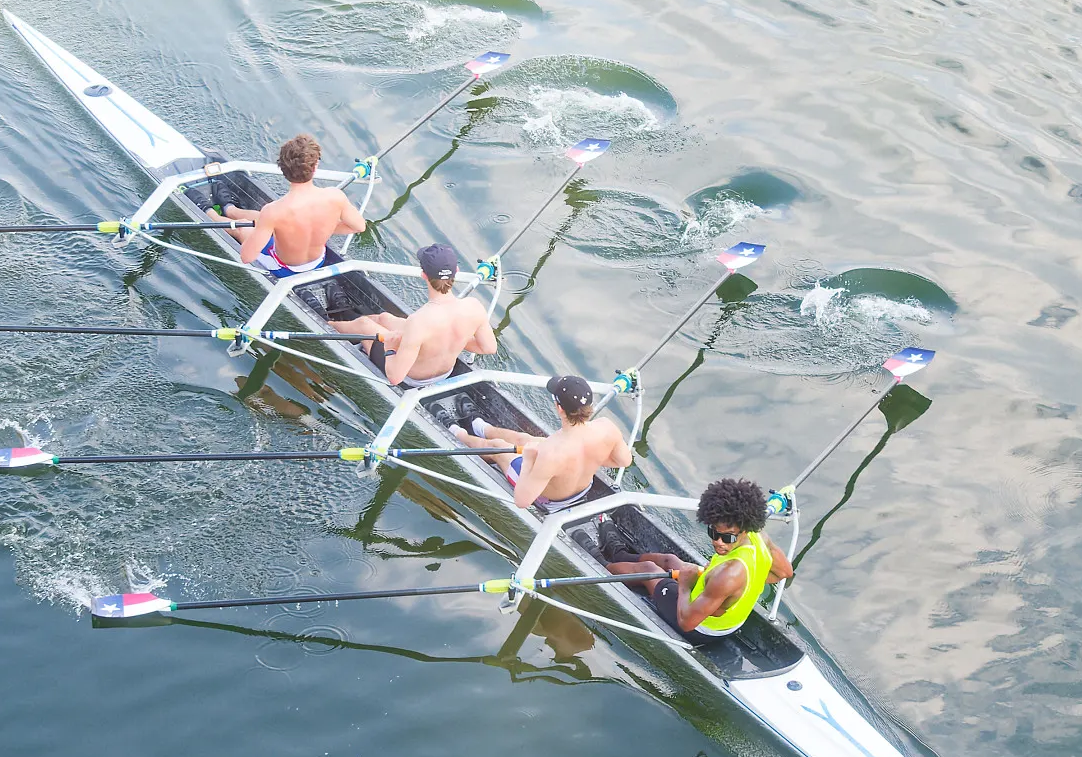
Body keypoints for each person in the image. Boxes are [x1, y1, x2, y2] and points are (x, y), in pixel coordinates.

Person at [599, 477, 793, 644]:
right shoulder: (759, 536)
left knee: (650, 570)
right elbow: (784, 572)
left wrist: (685, 585)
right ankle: (620, 555)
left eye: (728, 537)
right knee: (669, 560)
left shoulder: (728, 575)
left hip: (700, 630)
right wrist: (740, 585)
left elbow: (686, 622)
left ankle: (600, 564)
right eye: (713, 532)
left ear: (743, 530)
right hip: (722, 609)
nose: (718, 543)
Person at [449, 374, 630, 513]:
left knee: (498, 446)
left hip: (549, 500)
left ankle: (458, 433)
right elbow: (624, 461)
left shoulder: (551, 452)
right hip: (582, 489)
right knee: (524, 439)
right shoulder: (607, 427)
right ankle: (482, 427)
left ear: (559, 409)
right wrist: (591, 458)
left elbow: (522, 501)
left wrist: (528, 460)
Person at [331, 242, 497, 385]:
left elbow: (395, 378)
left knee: (364, 325)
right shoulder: (474, 307)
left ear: (423, 275)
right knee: (384, 318)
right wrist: (452, 338)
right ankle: (346, 316)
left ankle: (326, 324)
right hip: (445, 372)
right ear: (456, 271)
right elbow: (488, 347)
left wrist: (389, 348)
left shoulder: (419, 321)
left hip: (411, 379)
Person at [222, 134, 366, 279]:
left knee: (243, 228)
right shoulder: (336, 196)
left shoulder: (274, 211)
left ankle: (209, 211)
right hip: (317, 262)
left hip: (284, 268)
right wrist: (323, 227)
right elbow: (359, 227)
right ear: (315, 166)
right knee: (263, 220)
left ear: (283, 170)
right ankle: (230, 209)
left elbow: (246, 257)